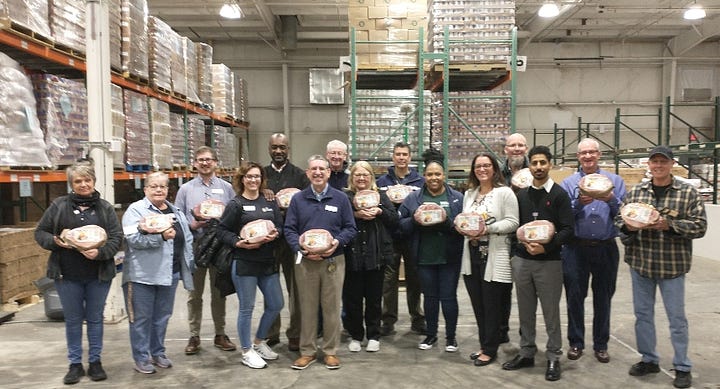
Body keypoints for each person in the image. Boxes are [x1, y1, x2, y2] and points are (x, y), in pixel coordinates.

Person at [615, 146, 706, 389]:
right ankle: (649, 359)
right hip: (641, 264)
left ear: (671, 164)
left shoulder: (687, 193)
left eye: (662, 162)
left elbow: (700, 226)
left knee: (676, 318)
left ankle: (683, 366)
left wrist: (669, 225)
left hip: (672, 266)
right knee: (643, 316)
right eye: (654, 162)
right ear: (648, 165)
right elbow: (619, 219)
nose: (658, 166)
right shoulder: (637, 192)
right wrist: (629, 228)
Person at [34, 162, 124, 385]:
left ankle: (95, 362)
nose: (83, 184)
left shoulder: (105, 208)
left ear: (93, 181)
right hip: (67, 275)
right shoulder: (59, 206)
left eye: (87, 180)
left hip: (98, 275)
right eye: (78, 181)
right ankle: (74, 364)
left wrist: (100, 252)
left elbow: (116, 238)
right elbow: (40, 232)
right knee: (73, 320)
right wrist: (54, 241)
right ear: (71, 184)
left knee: (95, 319)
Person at [501, 146, 573, 382]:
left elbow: (567, 230)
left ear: (550, 164)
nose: (539, 167)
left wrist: (547, 247)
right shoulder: (521, 196)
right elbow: (515, 227)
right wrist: (519, 248)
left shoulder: (560, 195)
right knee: (525, 311)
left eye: (543, 162)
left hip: (549, 263)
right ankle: (527, 352)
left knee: (551, 312)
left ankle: (553, 356)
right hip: (523, 262)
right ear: (529, 166)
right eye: (535, 163)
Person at [284, 155, 357, 370]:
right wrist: (301, 249)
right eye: (313, 169)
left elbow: (350, 228)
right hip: (305, 262)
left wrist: (337, 243)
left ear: (328, 173)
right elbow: (289, 229)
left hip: (334, 260)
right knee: (306, 307)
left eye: (321, 169)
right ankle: (307, 351)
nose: (317, 172)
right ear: (307, 173)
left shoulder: (340, 198)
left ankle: (330, 350)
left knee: (332, 307)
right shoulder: (298, 199)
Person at [121, 172, 195, 374]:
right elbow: (132, 240)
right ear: (146, 189)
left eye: (163, 186)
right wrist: (160, 238)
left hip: (169, 274)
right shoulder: (135, 210)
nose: (159, 190)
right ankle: (141, 357)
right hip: (141, 276)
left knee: (162, 316)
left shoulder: (175, 211)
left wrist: (189, 264)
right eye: (154, 186)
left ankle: (158, 352)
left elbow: (186, 238)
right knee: (141, 318)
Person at [560, 139, 626, 364]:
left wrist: (611, 200)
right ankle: (576, 343)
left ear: (599, 154)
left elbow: (625, 214)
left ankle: (601, 345)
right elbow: (562, 217)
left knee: (604, 297)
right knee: (574, 297)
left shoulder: (614, 181)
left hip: (606, 247)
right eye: (583, 153)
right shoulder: (569, 183)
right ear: (578, 156)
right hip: (575, 248)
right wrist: (578, 203)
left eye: (592, 152)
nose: (588, 156)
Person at [216, 162, 285, 369]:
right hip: (245, 262)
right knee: (246, 308)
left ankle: (259, 341)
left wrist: (276, 234)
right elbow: (222, 231)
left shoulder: (269, 201)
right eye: (249, 176)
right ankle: (246, 351)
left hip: (267, 261)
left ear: (262, 179)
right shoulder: (236, 204)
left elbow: (279, 226)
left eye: (257, 176)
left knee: (276, 304)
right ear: (242, 179)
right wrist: (239, 242)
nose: (253, 180)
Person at [398, 149, 464, 352]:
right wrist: (416, 220)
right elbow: (401, 226)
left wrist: (445, 222)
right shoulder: (413, 199)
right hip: (424, 257)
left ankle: (451, 338)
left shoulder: (457, 198)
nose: (434, 178)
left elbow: (463, 226)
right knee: (430, 297)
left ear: (444, 175)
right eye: (429, 174)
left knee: (449, 297)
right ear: (424, 177)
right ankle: (431, 335)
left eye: (437, 174)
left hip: (449, 257)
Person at [174, 146, 237, 355]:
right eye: (200, 160)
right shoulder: (186, 190)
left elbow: (234, 214)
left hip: (220, 246)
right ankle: (194, 335)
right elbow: (178, 218)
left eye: (208, 159)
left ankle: (220, 333)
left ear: (215, 162)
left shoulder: (227, 188)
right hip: (195, 246)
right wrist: (193, 225)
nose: (204, 163)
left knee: (219, 291)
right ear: (195, 163)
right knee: (194, 293)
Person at [459, 153, 519, 367]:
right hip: (472, 254)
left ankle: (490, 349)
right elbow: (465, 220)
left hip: (494, 254)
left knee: (492, 305)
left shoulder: (504, 193)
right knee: (478, 305)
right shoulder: (469, 194)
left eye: (486, 165)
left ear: (494, 169)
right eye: (478, 166)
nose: (482, 169)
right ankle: (485, 344)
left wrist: (488, 228)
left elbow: (513, 222)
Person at [343, 161, 399, 353]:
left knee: (374, 298)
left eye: (365, 174)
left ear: (371, 177)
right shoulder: (346, 196)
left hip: (376, 256)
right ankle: (356, 335)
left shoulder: (381, 195)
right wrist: (356, 215)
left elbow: (394, 219)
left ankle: (374, 335)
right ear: (352, 178)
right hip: (353, 255)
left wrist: (380, 211)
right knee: (353, 299)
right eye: (357, 175)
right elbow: (338, 219)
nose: (361, 178)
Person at [263, 133, 309, 351]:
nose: (278, 151)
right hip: (269, 241)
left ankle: (295, 332)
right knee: (270, 287)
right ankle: (271, 332)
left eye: (282, 147)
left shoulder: (300, 176)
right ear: (269, 149)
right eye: (274, 147)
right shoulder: (261, 175)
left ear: (288, 149)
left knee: (296, 289)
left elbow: (308, 205)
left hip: (292, 240)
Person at [375, 142, 425, 336]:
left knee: (415, 278)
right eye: (398, 154)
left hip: (412, 234)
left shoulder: (419, 181)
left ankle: (417, 318)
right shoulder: (382, 182)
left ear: (410, 158)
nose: (401, 157)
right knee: (389, 280)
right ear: (393, 157)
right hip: (389, 235)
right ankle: (388, 320)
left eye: (405, 154)